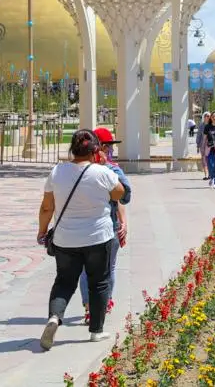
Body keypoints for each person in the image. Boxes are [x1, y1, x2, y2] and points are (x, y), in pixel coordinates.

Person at [37, 130, 125, 350]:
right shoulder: (102, 172)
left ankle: (54, 317)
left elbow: (47, 207)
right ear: (96, 150)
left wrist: (42, 231)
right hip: (98, 237)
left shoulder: (57, 171)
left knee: (64, 281)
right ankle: (96, 330)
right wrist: (102, 168)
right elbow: (119, 194)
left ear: (72, 150)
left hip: (65, 239)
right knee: (99, 282)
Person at [78, 128, 130, 326]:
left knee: (89, 269)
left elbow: (120, 200)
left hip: (86, 226)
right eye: (108, 146)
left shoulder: (77, 170)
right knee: (106, 268)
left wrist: (124, 221)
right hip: (105, 225)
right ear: (99, 147)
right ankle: (98, 305)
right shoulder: (111, 170)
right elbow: (125, 195)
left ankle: (93, 306)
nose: (110, 150)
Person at [196, 112, 210, 180]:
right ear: (204, 117)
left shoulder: (212, 125)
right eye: (206, 116)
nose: (207, 117)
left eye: (208, 116)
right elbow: (198, 135)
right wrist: (198, 145)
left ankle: (210, 174)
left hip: (211, 145)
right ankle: (206, 174)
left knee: (210, 159)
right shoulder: (201, 125)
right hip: (203, 144)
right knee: (204, 159)